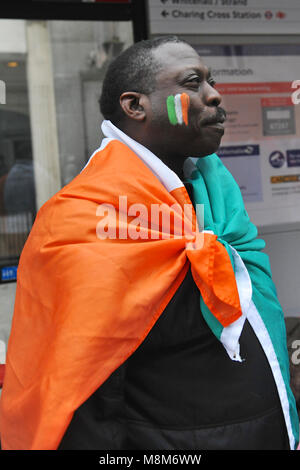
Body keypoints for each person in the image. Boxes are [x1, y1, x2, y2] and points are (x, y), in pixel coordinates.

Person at [0, 36, 299, 451]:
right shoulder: (85, 218)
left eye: (212, 82)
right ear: (135, 106)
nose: (214, 96)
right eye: (192, 83)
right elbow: (78, 388)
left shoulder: (217, 196)